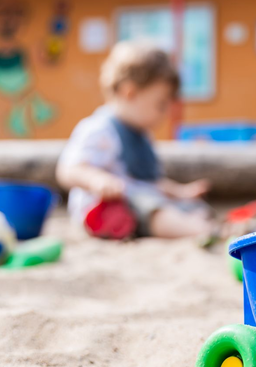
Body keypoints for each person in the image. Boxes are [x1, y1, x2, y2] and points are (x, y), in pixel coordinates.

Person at [57, 41, 213, 239]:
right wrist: (97, 180)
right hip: (106, 210)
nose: (164, 114)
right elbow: (68, 170)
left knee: (191, 206)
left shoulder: (142, 135)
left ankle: (196, 222)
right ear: (130, 93)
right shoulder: (100, 129)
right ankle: (197, 230)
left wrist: (180, 192)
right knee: (152, 209)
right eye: (160, 104)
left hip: (143, 200)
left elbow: (150, 182)